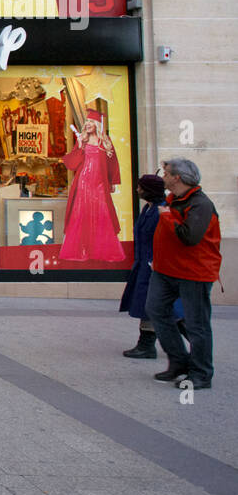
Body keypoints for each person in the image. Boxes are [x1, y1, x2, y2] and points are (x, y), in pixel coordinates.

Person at [147, 158, 223, 390]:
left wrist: (167, 216)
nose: (163, 176)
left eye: (166, 173)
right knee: (156, 310)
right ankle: (179, 362)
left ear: (177, 177)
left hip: (193, 273)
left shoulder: (201, 204)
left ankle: (201, 373)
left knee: (196, 324)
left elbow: (189, 237)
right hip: (164, 270)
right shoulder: (171, 200)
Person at [120, 174, 187, 359]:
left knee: (163, 306)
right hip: (144, 264)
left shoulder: (162, 210)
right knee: (146, 304)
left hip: (155, 265)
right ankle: (146, 344)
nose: (137, 190)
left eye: (140, 187)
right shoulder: (148, 209)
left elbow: (170, 239)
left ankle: (193, 341)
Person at [59, 110, 125, 262]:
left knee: (103, 215)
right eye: (86, 122)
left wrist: (113, 181)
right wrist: (80, 146)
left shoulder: (105, 142)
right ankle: (82, 251)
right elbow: (73, 163)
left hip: (100, 183)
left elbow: (113, 163)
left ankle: (101, 251)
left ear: (96, 124)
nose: (87, 125)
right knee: (82, 214)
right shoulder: (82, 140)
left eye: (90, 122)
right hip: (83, 182)